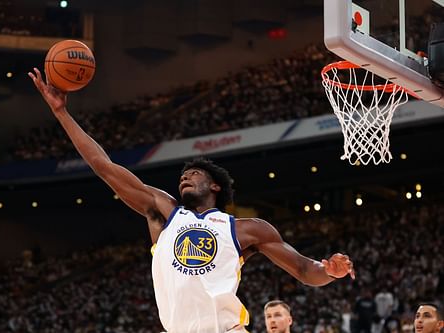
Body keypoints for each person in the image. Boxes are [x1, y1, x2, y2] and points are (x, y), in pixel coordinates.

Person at [28, 68, 355, 333]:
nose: (185, 177)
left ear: (214, 185)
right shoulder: (163, 210)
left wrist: (330, 272)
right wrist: (62, 114)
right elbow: (103, 166)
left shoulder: (247, 229)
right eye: (183, 174)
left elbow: (303, 269)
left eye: (194, 173)